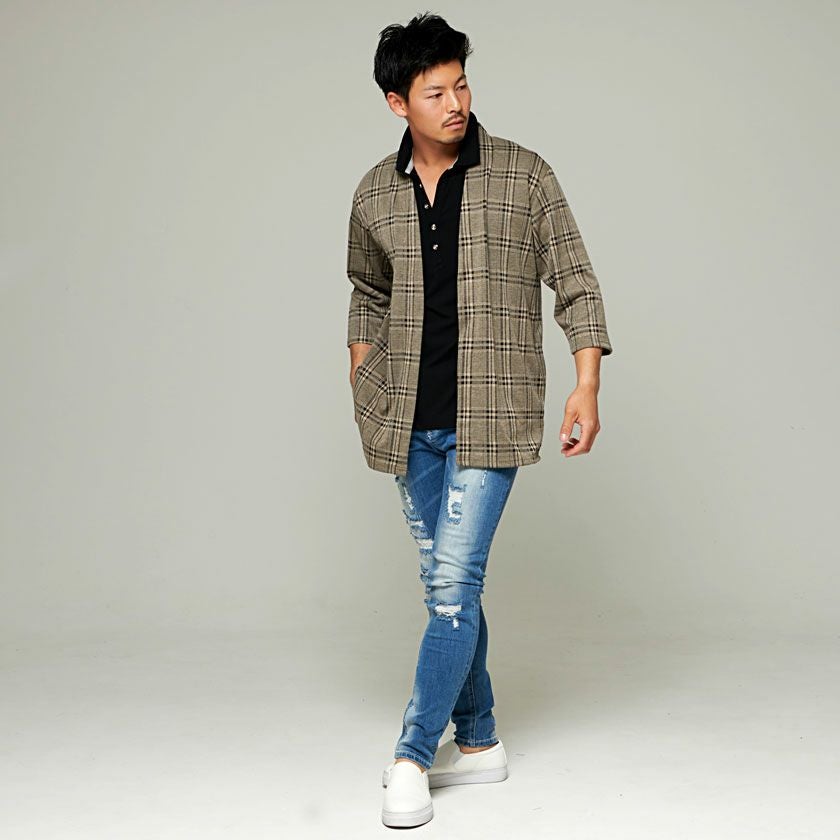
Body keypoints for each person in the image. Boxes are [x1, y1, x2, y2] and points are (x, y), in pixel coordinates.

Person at [345, 13, 614, 829]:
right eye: (435, 92)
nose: (456, 102)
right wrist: (362, 370)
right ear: (398, 103)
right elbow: (366, 291)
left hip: (491, 416)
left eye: (461, 84)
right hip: (405, 421)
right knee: (447, 589)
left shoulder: (523, 175)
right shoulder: (373, 193)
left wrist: (586, 383)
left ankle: (409, 756)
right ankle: (481, 738)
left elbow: (576, 279)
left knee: (453, 586)